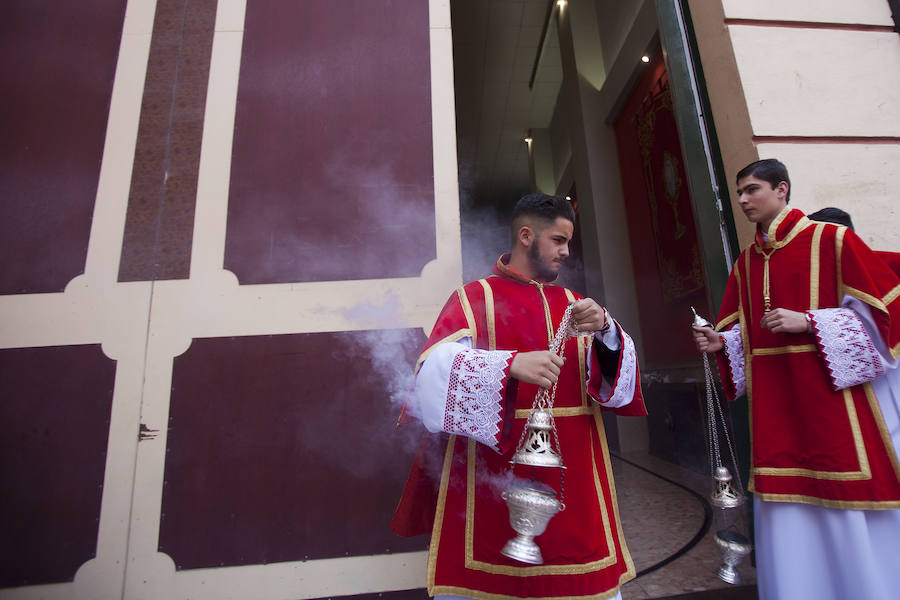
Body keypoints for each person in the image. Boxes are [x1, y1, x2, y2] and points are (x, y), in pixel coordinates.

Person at [392, 193, 647, 600]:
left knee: (580, 571)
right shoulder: (474, 299)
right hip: (494, 475)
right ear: (526, 236)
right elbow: (429, 377)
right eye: (558, 241)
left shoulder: (577, 305)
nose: (566, 252)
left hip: (574, 475)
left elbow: (615, 391)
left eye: (568, 242)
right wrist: (508, 364)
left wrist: (606, 330)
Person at [692, 159, 900, 600]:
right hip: (775, 411)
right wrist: (720, 343)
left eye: (753, 190)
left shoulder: (833, 240)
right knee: (784, 506)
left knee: (840, 491)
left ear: (782, 189)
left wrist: (811, 322)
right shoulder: (745, 262)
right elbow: (741, 334)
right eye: (740, 192)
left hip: (831, 407)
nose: (744, 200)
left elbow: (885, 320)